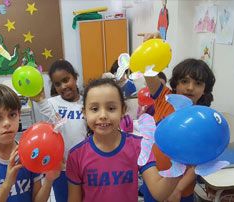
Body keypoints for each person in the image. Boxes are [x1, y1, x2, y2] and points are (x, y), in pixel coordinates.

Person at [66, 78, 182, 202]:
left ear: (123, 111)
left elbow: (159, 193)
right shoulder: (76, 156)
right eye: (94, 109)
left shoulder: (139, 146)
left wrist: (180, 164)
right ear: (84, 112)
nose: (103, 115)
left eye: (111, 108)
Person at [138, 32, 216, 202]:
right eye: (184, 81)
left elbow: (197, 163)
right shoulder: (164, 100)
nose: (190, 88)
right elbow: (150, 72)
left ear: (205, 89)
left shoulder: (203, 120)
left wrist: (177, 190)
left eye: (198, 83)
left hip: (182, 191)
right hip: (154, 183)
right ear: (176, 83)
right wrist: (151, 46)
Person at [0, 84, 62, 202]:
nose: (6, 123)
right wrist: (8, 184)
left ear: (19, 114)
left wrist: (49, 180)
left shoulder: (30, 153)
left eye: (12, 115)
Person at [30, 59, 87, 202]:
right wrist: (40, 100)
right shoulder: (52, 104)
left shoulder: (87, 102)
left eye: (66, 80)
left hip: (85, 165)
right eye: (57, 84)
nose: (63, 86)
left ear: (75, 77)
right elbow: (52, 121)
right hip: (61, 168)